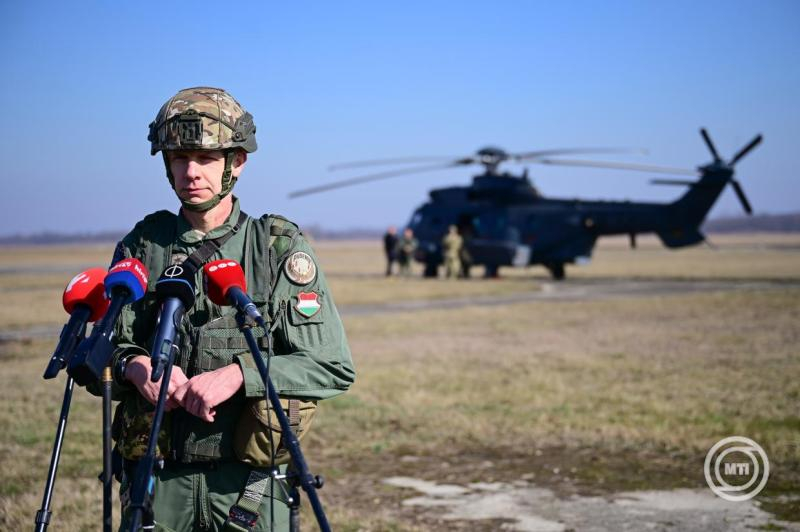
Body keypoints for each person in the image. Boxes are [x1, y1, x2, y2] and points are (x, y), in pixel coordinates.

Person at [104, 87, 355, 531]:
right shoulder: (144, 244)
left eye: (205, 158)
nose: (190, 172)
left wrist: (240, 375)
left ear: (236, 162)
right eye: (179, 158)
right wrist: (136, 367)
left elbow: (331, 365)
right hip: (157, 483)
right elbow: (102, 351)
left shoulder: (276, 248)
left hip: (251, 486)